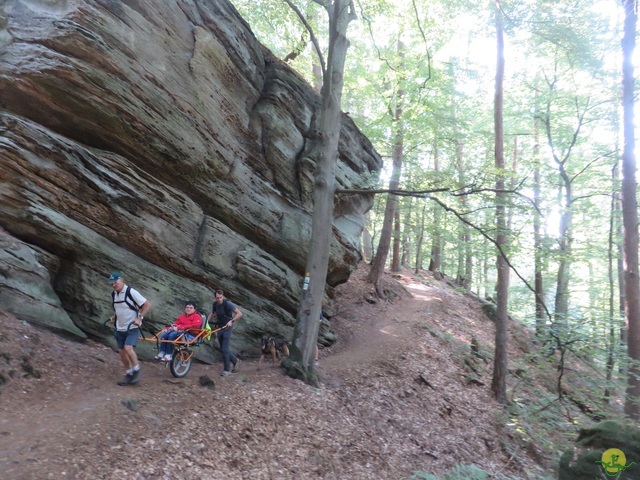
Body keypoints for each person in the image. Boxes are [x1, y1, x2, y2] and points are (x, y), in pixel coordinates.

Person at [108, 271, 151, 386]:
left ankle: (136, 370)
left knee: (128, 348)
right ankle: (129, 373)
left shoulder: (131, 292)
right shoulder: (114, 294)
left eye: (115, 282)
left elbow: (147, 305)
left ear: (121, 280)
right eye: (112, 283)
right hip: (120, 327)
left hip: (132, 326)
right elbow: (121, 308)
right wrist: (114, 317)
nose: (114, 285)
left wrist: (139, 318)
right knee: (122, 352)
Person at [207, 289, 243, 376]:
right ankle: (235, 360)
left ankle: (227, 370)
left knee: (224, 348)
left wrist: (232, 321)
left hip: (228, 327)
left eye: (220, 297)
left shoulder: (227, 304)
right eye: (217, 298)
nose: (219, 299)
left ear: (223, 296)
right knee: (223, 349)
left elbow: (239, 313)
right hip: (220, 327)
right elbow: (212, 313)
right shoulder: (215, 304)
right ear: (215, 297)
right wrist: (206, 322)